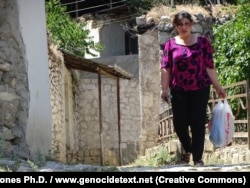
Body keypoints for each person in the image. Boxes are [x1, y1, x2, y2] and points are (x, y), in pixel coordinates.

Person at [160, 11, 226, 167]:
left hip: (200, 87)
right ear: (176, 27)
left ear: (192, 25)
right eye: (180, 24)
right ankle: (189, 147)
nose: (184, 27)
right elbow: (166, 68)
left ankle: (197, 158)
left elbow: (209, 67)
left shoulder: (203, 43)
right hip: (178, 89)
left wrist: (218, 87)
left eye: (187, 24)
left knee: (197, 122)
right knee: (179, 124)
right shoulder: (170, 45)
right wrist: (164, 89)